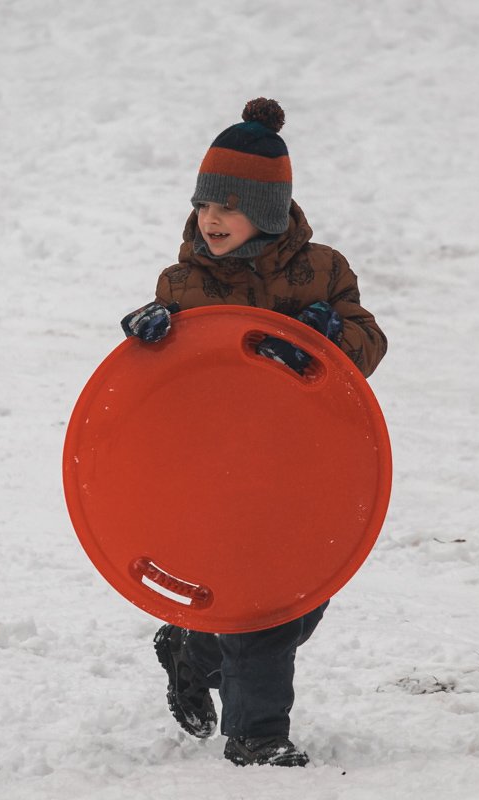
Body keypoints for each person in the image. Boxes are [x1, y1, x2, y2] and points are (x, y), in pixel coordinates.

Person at [120, 98, 387, 767]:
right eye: (205, 203)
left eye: (230, 206)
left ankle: (192, 648)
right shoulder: (183, 282)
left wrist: (333, 340)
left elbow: (369, 341)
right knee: (262, 602)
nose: (212, 219)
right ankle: (257, 735)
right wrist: (144, 336)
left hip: (300, 465)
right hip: (219, 470)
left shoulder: (322, 271)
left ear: (266, 212)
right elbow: (161, 387)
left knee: (303, 599)